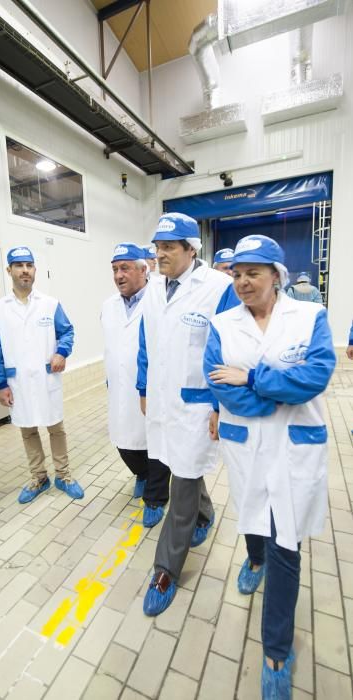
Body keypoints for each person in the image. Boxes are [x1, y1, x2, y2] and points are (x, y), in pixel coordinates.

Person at [203, 234, 336, 700]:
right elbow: (221, 383)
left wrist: (255, 377)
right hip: (247, 446)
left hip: (296, 448)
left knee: (287, 538)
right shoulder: (222, 324)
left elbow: (316, 375)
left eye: (252, 273)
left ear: (276, 276)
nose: (242, 281)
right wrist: (273, 394)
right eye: (237, 273)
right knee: (252, 514)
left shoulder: (310, 317)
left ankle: (276, 650)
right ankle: (253, 557)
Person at [137, 212, 239, 616]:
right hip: (163, 400)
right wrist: (143, 386)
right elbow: (146, 340)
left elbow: (228, 350)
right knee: (183, 465)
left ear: (190, 249)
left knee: (182, 479)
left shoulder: (218, 288)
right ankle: (206, 514)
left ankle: (166, 569)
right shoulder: (153, 289)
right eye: (157, 247)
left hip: (197, 403)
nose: (159, 254)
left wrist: (219, 404)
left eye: (167, 248)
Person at [0, 246, 84, 504]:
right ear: (9, 270)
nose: (25, 270)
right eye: (19, 266)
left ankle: (63, 475)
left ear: (35, 270)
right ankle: (39, 477)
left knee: (56, 427)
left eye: (29, 265)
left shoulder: (50, 304)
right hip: (17, 382)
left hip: (46, 378)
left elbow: (68, 332)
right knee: (28, 430)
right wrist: (0, 383)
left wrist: (62, 352)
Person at [101, 243, 170, 528]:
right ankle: (141, 475)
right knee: (126, 443)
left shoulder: (161, 298)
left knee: (156, 444)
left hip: (153, 387)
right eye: (115, 269)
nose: (119, 275)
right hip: (119, 388)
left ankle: (156, 497)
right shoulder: (108, 305)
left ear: (144, 270)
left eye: (125, 268)